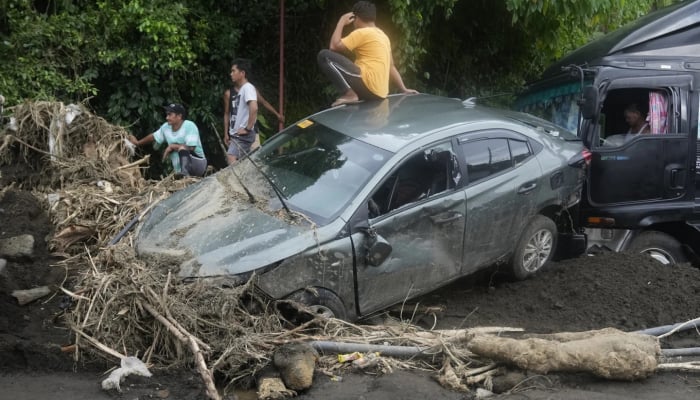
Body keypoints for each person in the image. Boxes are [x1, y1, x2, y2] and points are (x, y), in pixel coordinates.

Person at [317, 1, 418, 107]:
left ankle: (349, 94)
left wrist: (341, 21)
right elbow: (391, 66)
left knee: (324, 56)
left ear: (355, 18)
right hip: (380, 93)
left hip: (367, 85)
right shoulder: (384, 36)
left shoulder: (362, 33)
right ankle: (352, 94)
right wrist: (403, 89)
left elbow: (334, 46)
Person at [128, 103, 207, 177]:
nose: (167, 117)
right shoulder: (166, 127)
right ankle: (183, 174)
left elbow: (191, 147)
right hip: (179, 170)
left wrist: (172, 146)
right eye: (167, 115)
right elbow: (153, 136)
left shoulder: (189, 125)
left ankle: (185, 174)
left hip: (198, 164)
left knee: (182, 148)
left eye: (170, 115)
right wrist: (137, 143)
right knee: (180, 151)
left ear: (179, 116)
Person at [223, 79, 283, 153]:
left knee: (255, 156)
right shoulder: (229, 94)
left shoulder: (251, 90)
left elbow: (263, 102)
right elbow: (226, 113)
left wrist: (277, 114)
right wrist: (226, 133)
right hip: (236, 133)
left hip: (251, 131)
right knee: (239, 160)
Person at [223, 58, 259, 164]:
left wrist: (247, 128)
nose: (231, 74)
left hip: (243, 135)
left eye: (233, 71)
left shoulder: (248, 88)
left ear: (242, 73)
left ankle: (235, 180)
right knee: (247, 163)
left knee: (231, 157)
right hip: (238, 134)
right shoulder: (244, 89)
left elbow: (254, 107)